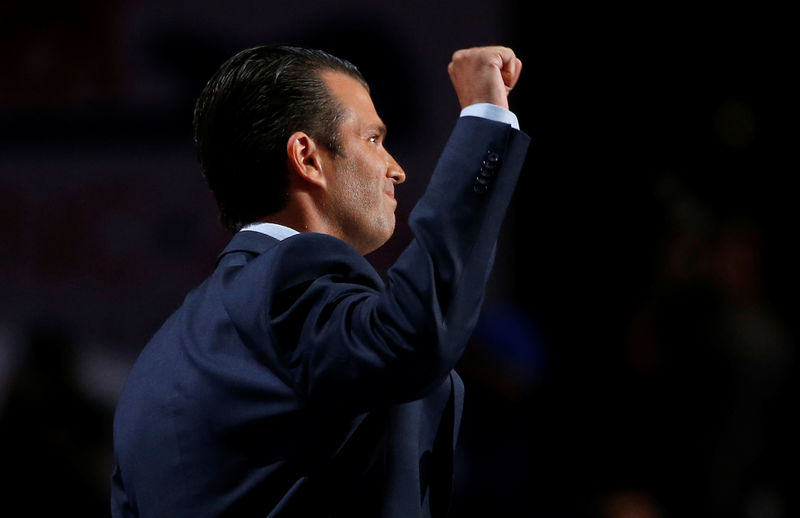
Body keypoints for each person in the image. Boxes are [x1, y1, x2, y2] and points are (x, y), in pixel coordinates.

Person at [111, 44, 529, 517]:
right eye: (373, 139)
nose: (397, 168)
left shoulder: (151, 370)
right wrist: (486, 118)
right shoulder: (286, 280)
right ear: (307, 158)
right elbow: (410, 335)